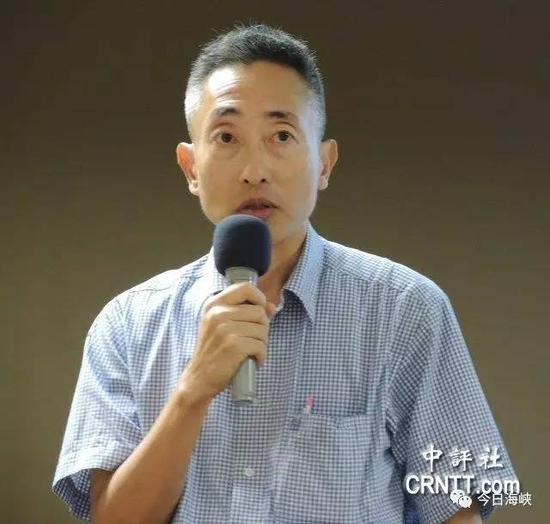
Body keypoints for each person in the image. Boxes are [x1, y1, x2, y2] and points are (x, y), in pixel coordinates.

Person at [52, 24, 518, 523]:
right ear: (191, 168)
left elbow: (459, 508)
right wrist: (192, 391)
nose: (255, 170)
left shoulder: (406, 309)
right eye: (226, 137)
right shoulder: (126, 325)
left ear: (324, 163)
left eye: (281, 136)